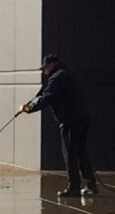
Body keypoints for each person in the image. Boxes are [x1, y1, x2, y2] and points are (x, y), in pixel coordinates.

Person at [21, 54, 97, 202]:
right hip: (82, 118)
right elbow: (43, 93)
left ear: (50, 65)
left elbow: (47, 97)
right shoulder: (66, 73)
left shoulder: (57, 78)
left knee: (70, 153)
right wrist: (29, 104)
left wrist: (29, 109)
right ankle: (90, 184)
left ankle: (73, 187)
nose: (44, 72)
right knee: (81, 151)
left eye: (44, 69)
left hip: (70, 121)